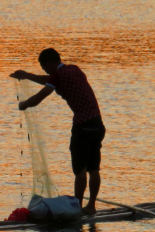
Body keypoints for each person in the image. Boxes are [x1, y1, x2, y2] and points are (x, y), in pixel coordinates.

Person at [10, 48, 106, 215]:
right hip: (98, 125)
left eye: (45, 67)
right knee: (94, 168)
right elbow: (48, 79)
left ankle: (76, 208)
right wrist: (27, 75)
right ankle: (90, 206)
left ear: (51, 63)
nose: (45, 71)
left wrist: (23, 104)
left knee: (80, 169)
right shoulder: (73, 69)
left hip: (82, 127)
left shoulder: (58, 76)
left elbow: (40, 97)